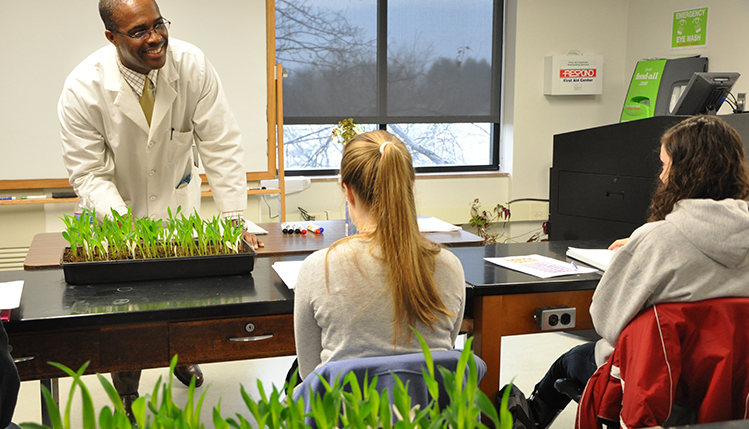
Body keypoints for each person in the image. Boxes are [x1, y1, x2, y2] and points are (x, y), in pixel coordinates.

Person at [58, 0, 263, 420]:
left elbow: (221, 147)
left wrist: (233, 220)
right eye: (138, 32)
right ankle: (127, 381)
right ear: (111, 37)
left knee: (184, 298)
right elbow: (89, 174)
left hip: (177, 204)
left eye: (158, 24)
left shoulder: (192, 65)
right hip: (115, 212)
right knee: (123, 310)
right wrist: (130, 233)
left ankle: (182, 355)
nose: (155, 38)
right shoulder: (83, 88)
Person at [516, 115, 749, 428]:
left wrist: (641, 246)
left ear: (684, 173)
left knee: (569, 362)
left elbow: (607, 322)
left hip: (656, 388)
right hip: (735, 387)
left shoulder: (656, 240)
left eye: (666, 166)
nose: (663, 175)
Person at [293, 130, 466, 380]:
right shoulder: (450, 266)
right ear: (410, 186)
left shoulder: (319, 268)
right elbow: (443, 352)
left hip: (343, 418)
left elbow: (309, 371)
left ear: (348, 192)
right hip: (427, 418)